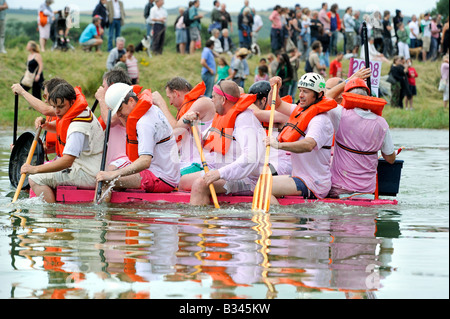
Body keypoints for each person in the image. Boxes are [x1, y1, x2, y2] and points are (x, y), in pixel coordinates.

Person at [21, 82, 105, 203]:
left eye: (60, 107)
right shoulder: (82, 110)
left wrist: (34, 169)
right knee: (42, 170)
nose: (56, 111)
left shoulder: (77, 128)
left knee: (35, 178)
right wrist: (47, 125)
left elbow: (67, 162)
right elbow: (62, 126)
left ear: (71, 102)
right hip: (91, 166)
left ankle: (50, 217)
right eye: (54, 107)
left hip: (88, 174)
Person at [96, 83, 180, 199]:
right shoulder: (152, 109)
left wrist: (113, 175)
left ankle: (100, 216)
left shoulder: (144, 123)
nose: (119, 114)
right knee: (110, 174)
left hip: (161, 178)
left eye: (120, 109)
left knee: (104, 181)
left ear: (131, 101)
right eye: (117, 112)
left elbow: (145, 161)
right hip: (165, 172)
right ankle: (119, 212)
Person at [188, 80, 265, 206]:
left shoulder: (244, 120)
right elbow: (203, 144)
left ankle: (197, 223)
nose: (211, 100)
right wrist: (194, 125)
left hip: (249, 181)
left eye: (213, 96)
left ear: (223, 100)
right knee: (187, 181)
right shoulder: (222, 117)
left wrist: (220, 173)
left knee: (199, 184)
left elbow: (250, 157)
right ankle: (206, 220)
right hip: (229, 177)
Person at [265, 73, 336, 201]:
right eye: (300, 91)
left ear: (319, 94)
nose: (301, 95)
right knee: (260, 182)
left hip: (314, 183)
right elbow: (275, 103)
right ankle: (281, 218)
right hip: (300, 178)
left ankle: (278, 217)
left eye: (306, 92)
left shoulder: (320, 120)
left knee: (264, 187)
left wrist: (278, 145)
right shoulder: (300, 111)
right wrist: (274, 88)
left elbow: (309, 145)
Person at [326, 78, 396, 198]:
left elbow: (324, 99)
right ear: (367, 97)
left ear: (346, 96)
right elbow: (390, 159)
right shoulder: (382, 123)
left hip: (339, 190)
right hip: (367, 193)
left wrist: (345, 82)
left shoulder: (340, 114)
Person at [151, 77, 215, 188]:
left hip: (201, 164)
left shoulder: (202, 102)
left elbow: (176, 128)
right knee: (155, 172)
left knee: (166, 179)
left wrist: (160, 103)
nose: (170, 103)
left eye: (169, 98)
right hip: (188, 162)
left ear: (176, 93)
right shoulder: (187, 108)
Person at [248, 80, 291, 176]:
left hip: (281, 165)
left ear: (263, 100)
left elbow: (257, 113)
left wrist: (244, 101)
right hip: (265, 163)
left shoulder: (282, 113)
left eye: (253, 102)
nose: (251, 106)